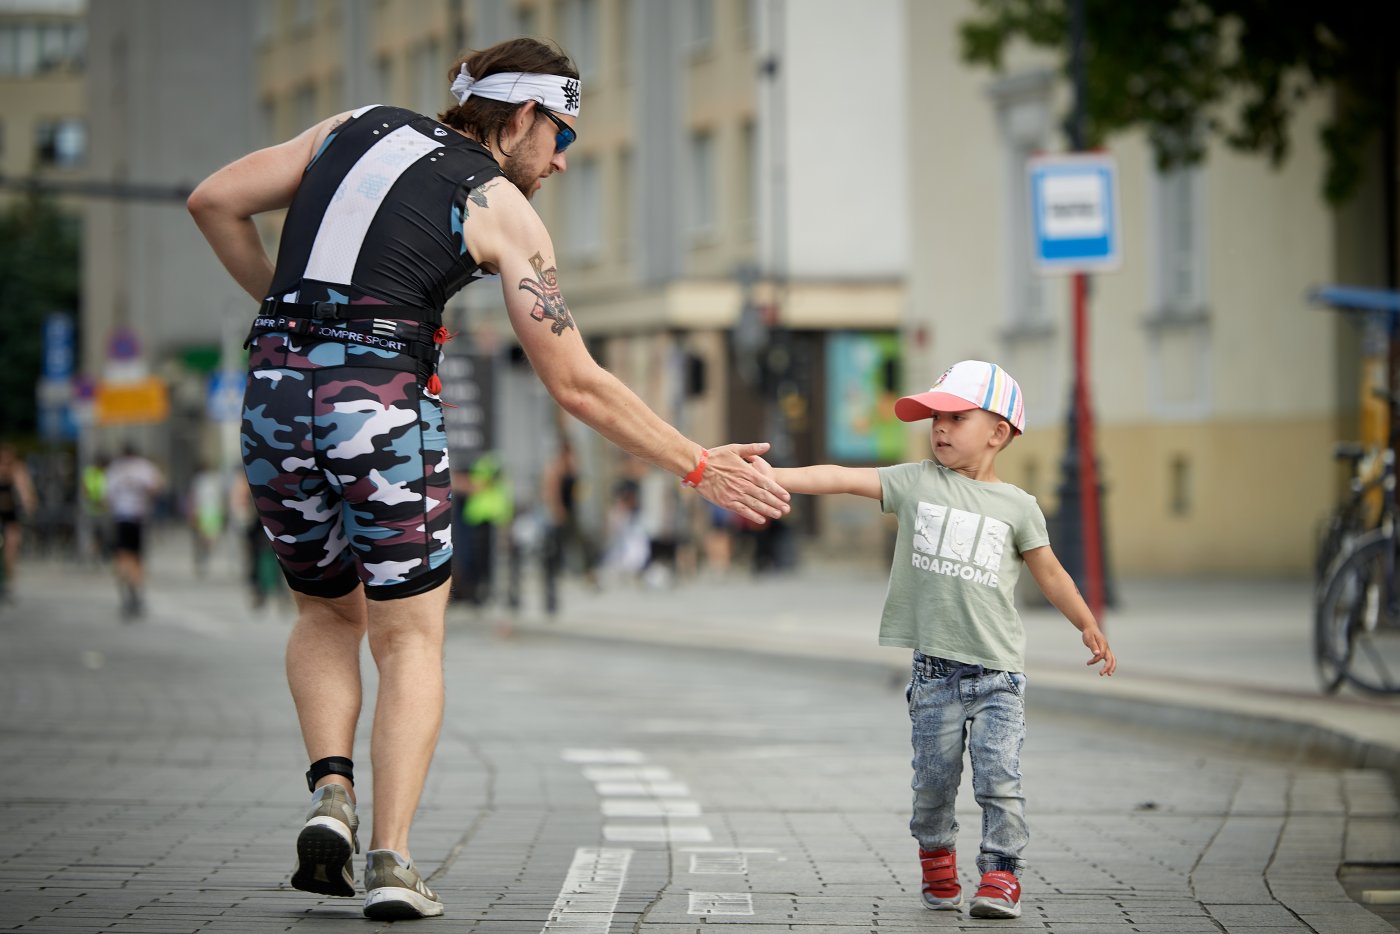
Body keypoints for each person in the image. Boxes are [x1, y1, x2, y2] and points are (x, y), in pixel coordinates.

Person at [186, 36, 790, 921]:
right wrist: (697, 463)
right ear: (519, 119)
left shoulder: (351, 124)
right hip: (382, 400)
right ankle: (389, 857)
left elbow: (213, 201)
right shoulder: (500, 205)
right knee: (410, 639)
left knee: (323, 608)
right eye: (563, 134)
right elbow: (576, 381)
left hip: (274, 387)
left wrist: (288, 310)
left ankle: (331, 795)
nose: (565, 159)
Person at [753, 360, 1114, 921]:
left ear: (998, 433)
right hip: (935, 676)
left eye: (955, 417)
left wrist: (1086, 622)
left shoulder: (1018, 506)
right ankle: (937, 857)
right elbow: (842, 477)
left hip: (999, 674)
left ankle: (1000, 875)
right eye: (933, 418)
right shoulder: (915, 482)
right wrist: (773, 476)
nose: (939, 427)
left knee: (1001, 780)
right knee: (933, 787)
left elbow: (1050, 573)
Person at [103, 443, 164, 620]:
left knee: (123, 555)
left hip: (121, 517)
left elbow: (107, 497)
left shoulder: (115, 469)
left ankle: (127, 589)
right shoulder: (143, 467)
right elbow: (156, 487)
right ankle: (136, 590)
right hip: (138, 517)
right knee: (136, 557)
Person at [0, 443, 38, 598]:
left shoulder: (18, 470)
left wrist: (28, 503)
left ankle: (8, 583)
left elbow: (26, 491)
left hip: (11, 516)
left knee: (11, 549)